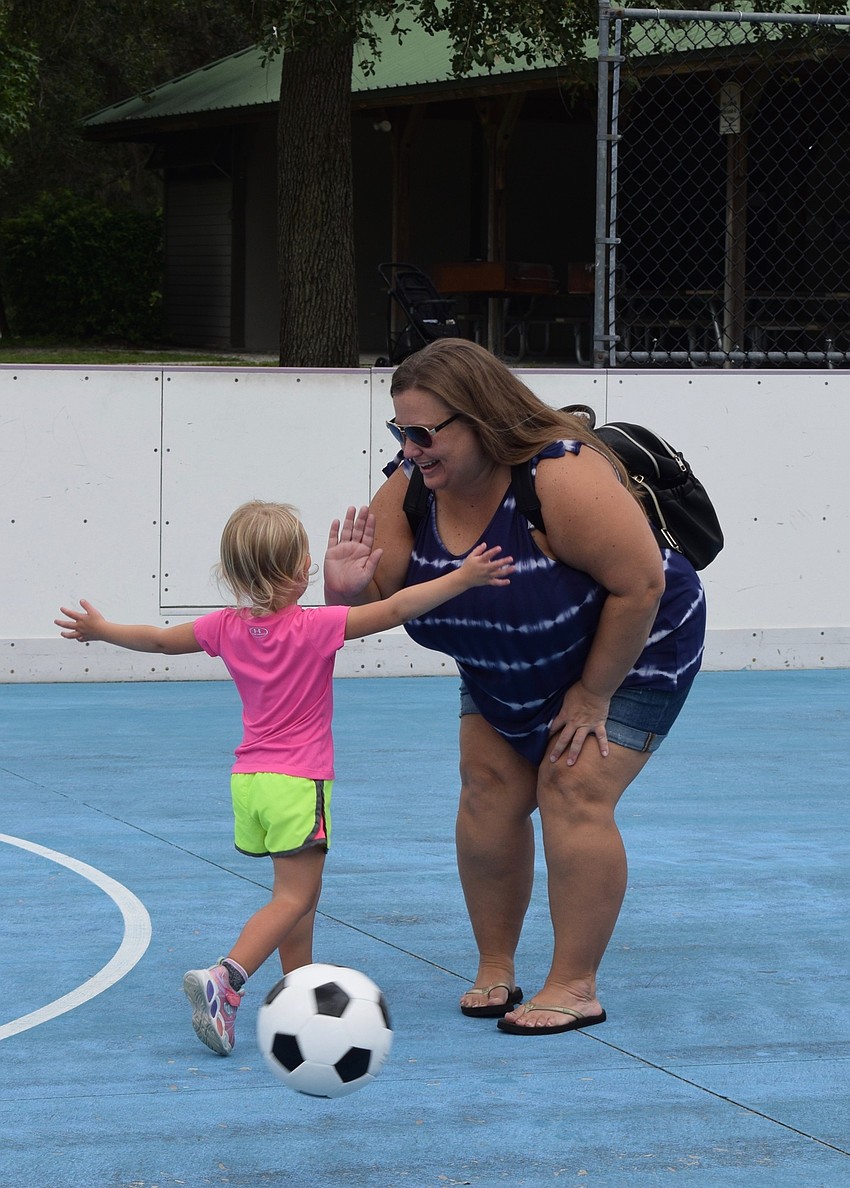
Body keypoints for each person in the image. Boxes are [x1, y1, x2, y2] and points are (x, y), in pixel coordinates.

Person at [323, 339, 706, 1036]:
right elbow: (370, 605)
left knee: (571, 787)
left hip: (630, 647)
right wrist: (344, 590)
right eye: (399, 432)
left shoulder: (559, 476)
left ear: (481, 419)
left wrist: (592, 696)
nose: (409, 450)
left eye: (424, 433)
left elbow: (642, 584)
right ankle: (496, 968)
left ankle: (574, 985)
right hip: (503, 650)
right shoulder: (410, 489)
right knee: (488, 791)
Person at [55, 499, 514, 1056]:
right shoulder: (316, 626)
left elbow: (155, 639)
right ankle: (227, 977)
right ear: (300, 570)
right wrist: (463, 577)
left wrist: (101, 629)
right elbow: (395, 609)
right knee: (294, 897)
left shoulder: (222, 627)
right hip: (299, 783)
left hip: (250, 781)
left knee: (298, 893)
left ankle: (301, 985)